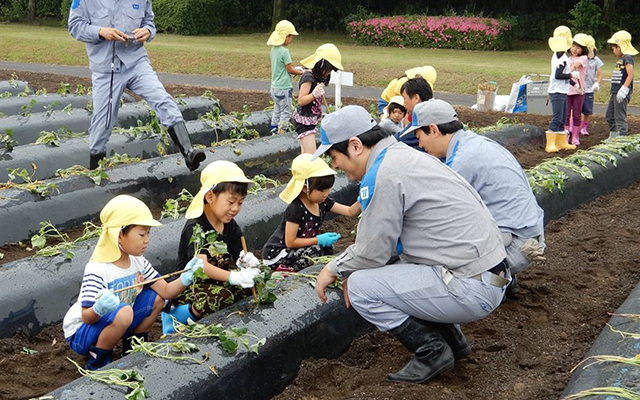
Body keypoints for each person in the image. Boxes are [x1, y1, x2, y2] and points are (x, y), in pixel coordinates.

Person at [312, 105, 510, 384]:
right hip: (495, 276)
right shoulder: (405, 157)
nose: (335, 166)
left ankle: (432, 351)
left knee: (361, 287)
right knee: (400, 265)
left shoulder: (385, 173)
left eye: (334, 156)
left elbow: (372, 251)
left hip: (474, 287)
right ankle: (453, 341)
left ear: (355, 145)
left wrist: (334, 268)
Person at [404, 99, 546, 296]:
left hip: (514, 243)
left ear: (434, 130)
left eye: (418, 136)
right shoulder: (476, 144)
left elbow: (440, 215)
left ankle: (497, 279)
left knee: (436, 248)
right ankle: (504, 278)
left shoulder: (463, 160)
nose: (419, 143)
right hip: (528, 233)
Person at [62, 195, 204, 370]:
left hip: (119, 318)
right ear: (120, 234)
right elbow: (87, 316)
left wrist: (185, 278)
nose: (147, 240)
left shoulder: (139, 262)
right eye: (142, 234)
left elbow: (166, 290)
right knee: (124, 312)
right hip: (82, 332)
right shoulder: (98, 269)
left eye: (148, 234)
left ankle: (134, 346)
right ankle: (98, 361)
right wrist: (99, 307)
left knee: (157, 298)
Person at [68, 0, 205, 171]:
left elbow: (149, 23)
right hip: (106, 68)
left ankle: (189, 154)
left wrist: (147, 31)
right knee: (103, 122)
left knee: (161, 98)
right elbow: (75, 26)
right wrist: (101, 32)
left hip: (136, 62)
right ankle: (95, 171)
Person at [161, 161, 261, 334]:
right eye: (230, 202)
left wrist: (245, 261)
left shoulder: (230, 224)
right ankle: (177, 315)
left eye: (240, 203)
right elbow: (202, 267)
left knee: (254, 284)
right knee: (222, 297)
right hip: (191, 286)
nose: (235, 208)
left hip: (217, 280)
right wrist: (233, 277)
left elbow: (239, 253)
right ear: (210, 197)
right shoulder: (196, 228)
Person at [262, 154, 360, 272]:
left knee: (328, 248)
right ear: (305, 188)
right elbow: (290, 242)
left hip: (298, 249)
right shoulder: (296, 208)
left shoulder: (323, 202)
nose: (326, 194)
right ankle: (286, 271)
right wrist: (318, 239)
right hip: (278, 254)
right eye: (321, 190)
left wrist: (363, 200)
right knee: (316, 250)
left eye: (328, 189)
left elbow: (349, 211)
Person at [294, 43, 343, 154]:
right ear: (321, 65)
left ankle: (302, 170)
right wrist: (313, 95)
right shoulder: (308, 77)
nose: (329, 73)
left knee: (305, 156)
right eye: (329, 70)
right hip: (304, 121)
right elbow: (301, 100)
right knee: (311, 156)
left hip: (311, 120)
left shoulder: (318, 78)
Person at [267, 20, 303, 135]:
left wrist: (296, 69)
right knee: (286, 112)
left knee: (277, 110)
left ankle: (274, 132)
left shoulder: (273, 50)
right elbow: (290, 69)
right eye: (291, 36)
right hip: (284, 87)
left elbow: (282, 68)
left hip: (274, 87)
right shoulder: (285, 51)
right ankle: (283, 134)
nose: (291, 39)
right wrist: (303, 73)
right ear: (286, 37)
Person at [545, 26, 577, 153]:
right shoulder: (561, 57)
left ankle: (561, 142)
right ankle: (550, 143)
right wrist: (570, 75)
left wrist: (574, 84)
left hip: (562, 90)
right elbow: (559, 75)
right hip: (557, 91)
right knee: (558, 117)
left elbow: (563, 74)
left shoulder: (562, 55)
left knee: (563, 119)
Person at [606, 30, 637, 140]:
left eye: (613, 48)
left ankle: (622, 139)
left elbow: (631, 73)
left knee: (620, 117)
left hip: (621, 93)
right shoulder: (621, 59)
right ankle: (613, 136)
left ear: (619, 47)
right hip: (615, 92)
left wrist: (624, 89)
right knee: (610, 115)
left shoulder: (627, 58)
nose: (613, 51)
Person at [396, 77, 433, 151]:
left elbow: (398, 139)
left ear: (416, 98)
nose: (403, 104)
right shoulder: (434, 113)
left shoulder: (421, 123)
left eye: (404, 98)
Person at [566, 35, 588, 146]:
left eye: (578, 47)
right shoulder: (567, 59)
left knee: (577, 114)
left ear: (583, 49)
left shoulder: (583, 58)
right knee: (566, 114)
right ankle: (566, 136)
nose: (575, 49)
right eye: (573, 46)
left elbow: (576, 65)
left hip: (578, 91)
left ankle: (575, 136)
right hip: (567, 90)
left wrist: (566, 72)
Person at [580, 35, 604, 136]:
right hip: (578, 89)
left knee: (587, 111)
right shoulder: (580, 58)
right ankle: (573, 126)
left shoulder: (596, 60)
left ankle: (584, 127)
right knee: (575, 110)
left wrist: (597, 83)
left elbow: (600, 73)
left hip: (589, 90)